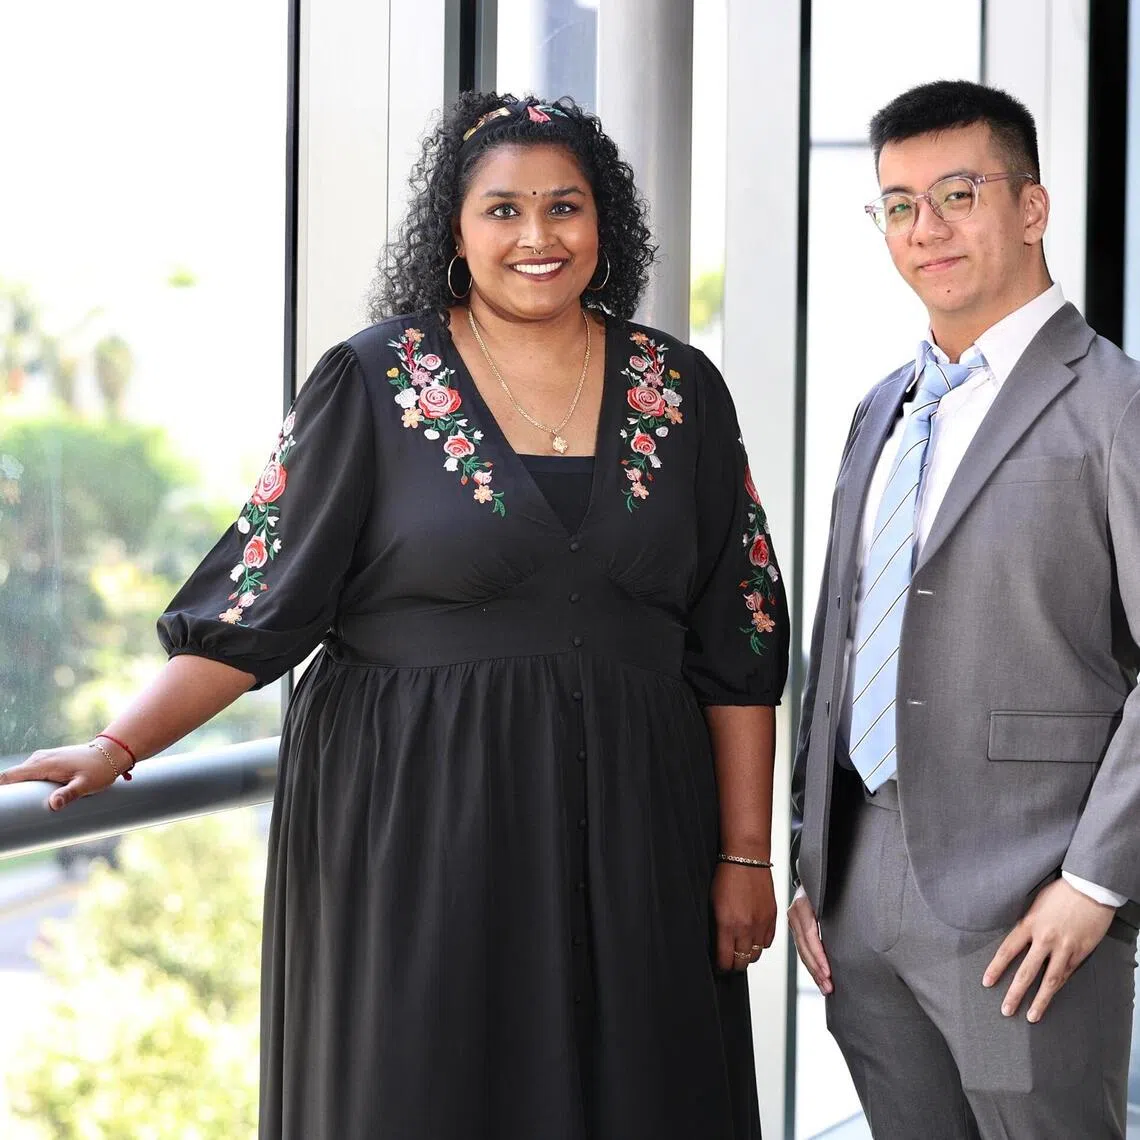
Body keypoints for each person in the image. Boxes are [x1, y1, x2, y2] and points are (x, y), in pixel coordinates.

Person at [1, 92, 789, 1140]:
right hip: (419, 823)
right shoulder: (371, 381)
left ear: (606, 225)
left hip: (642, 830)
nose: (538, 237)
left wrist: (744, 857)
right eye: (503, 210)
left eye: (566, 207)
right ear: (455, 233)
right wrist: (118, 743)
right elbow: (257, 603)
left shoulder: (686, 391)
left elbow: (737, 642)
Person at [789, 78, 1140, 1138]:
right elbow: (840, 635)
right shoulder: (881, 408)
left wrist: (1096, 882)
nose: (924, 229)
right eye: (898, 204)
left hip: (1031, 900)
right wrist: (811, 857)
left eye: (956, 193)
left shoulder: (1115, 404)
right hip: (857, 894)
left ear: (1031, 208)